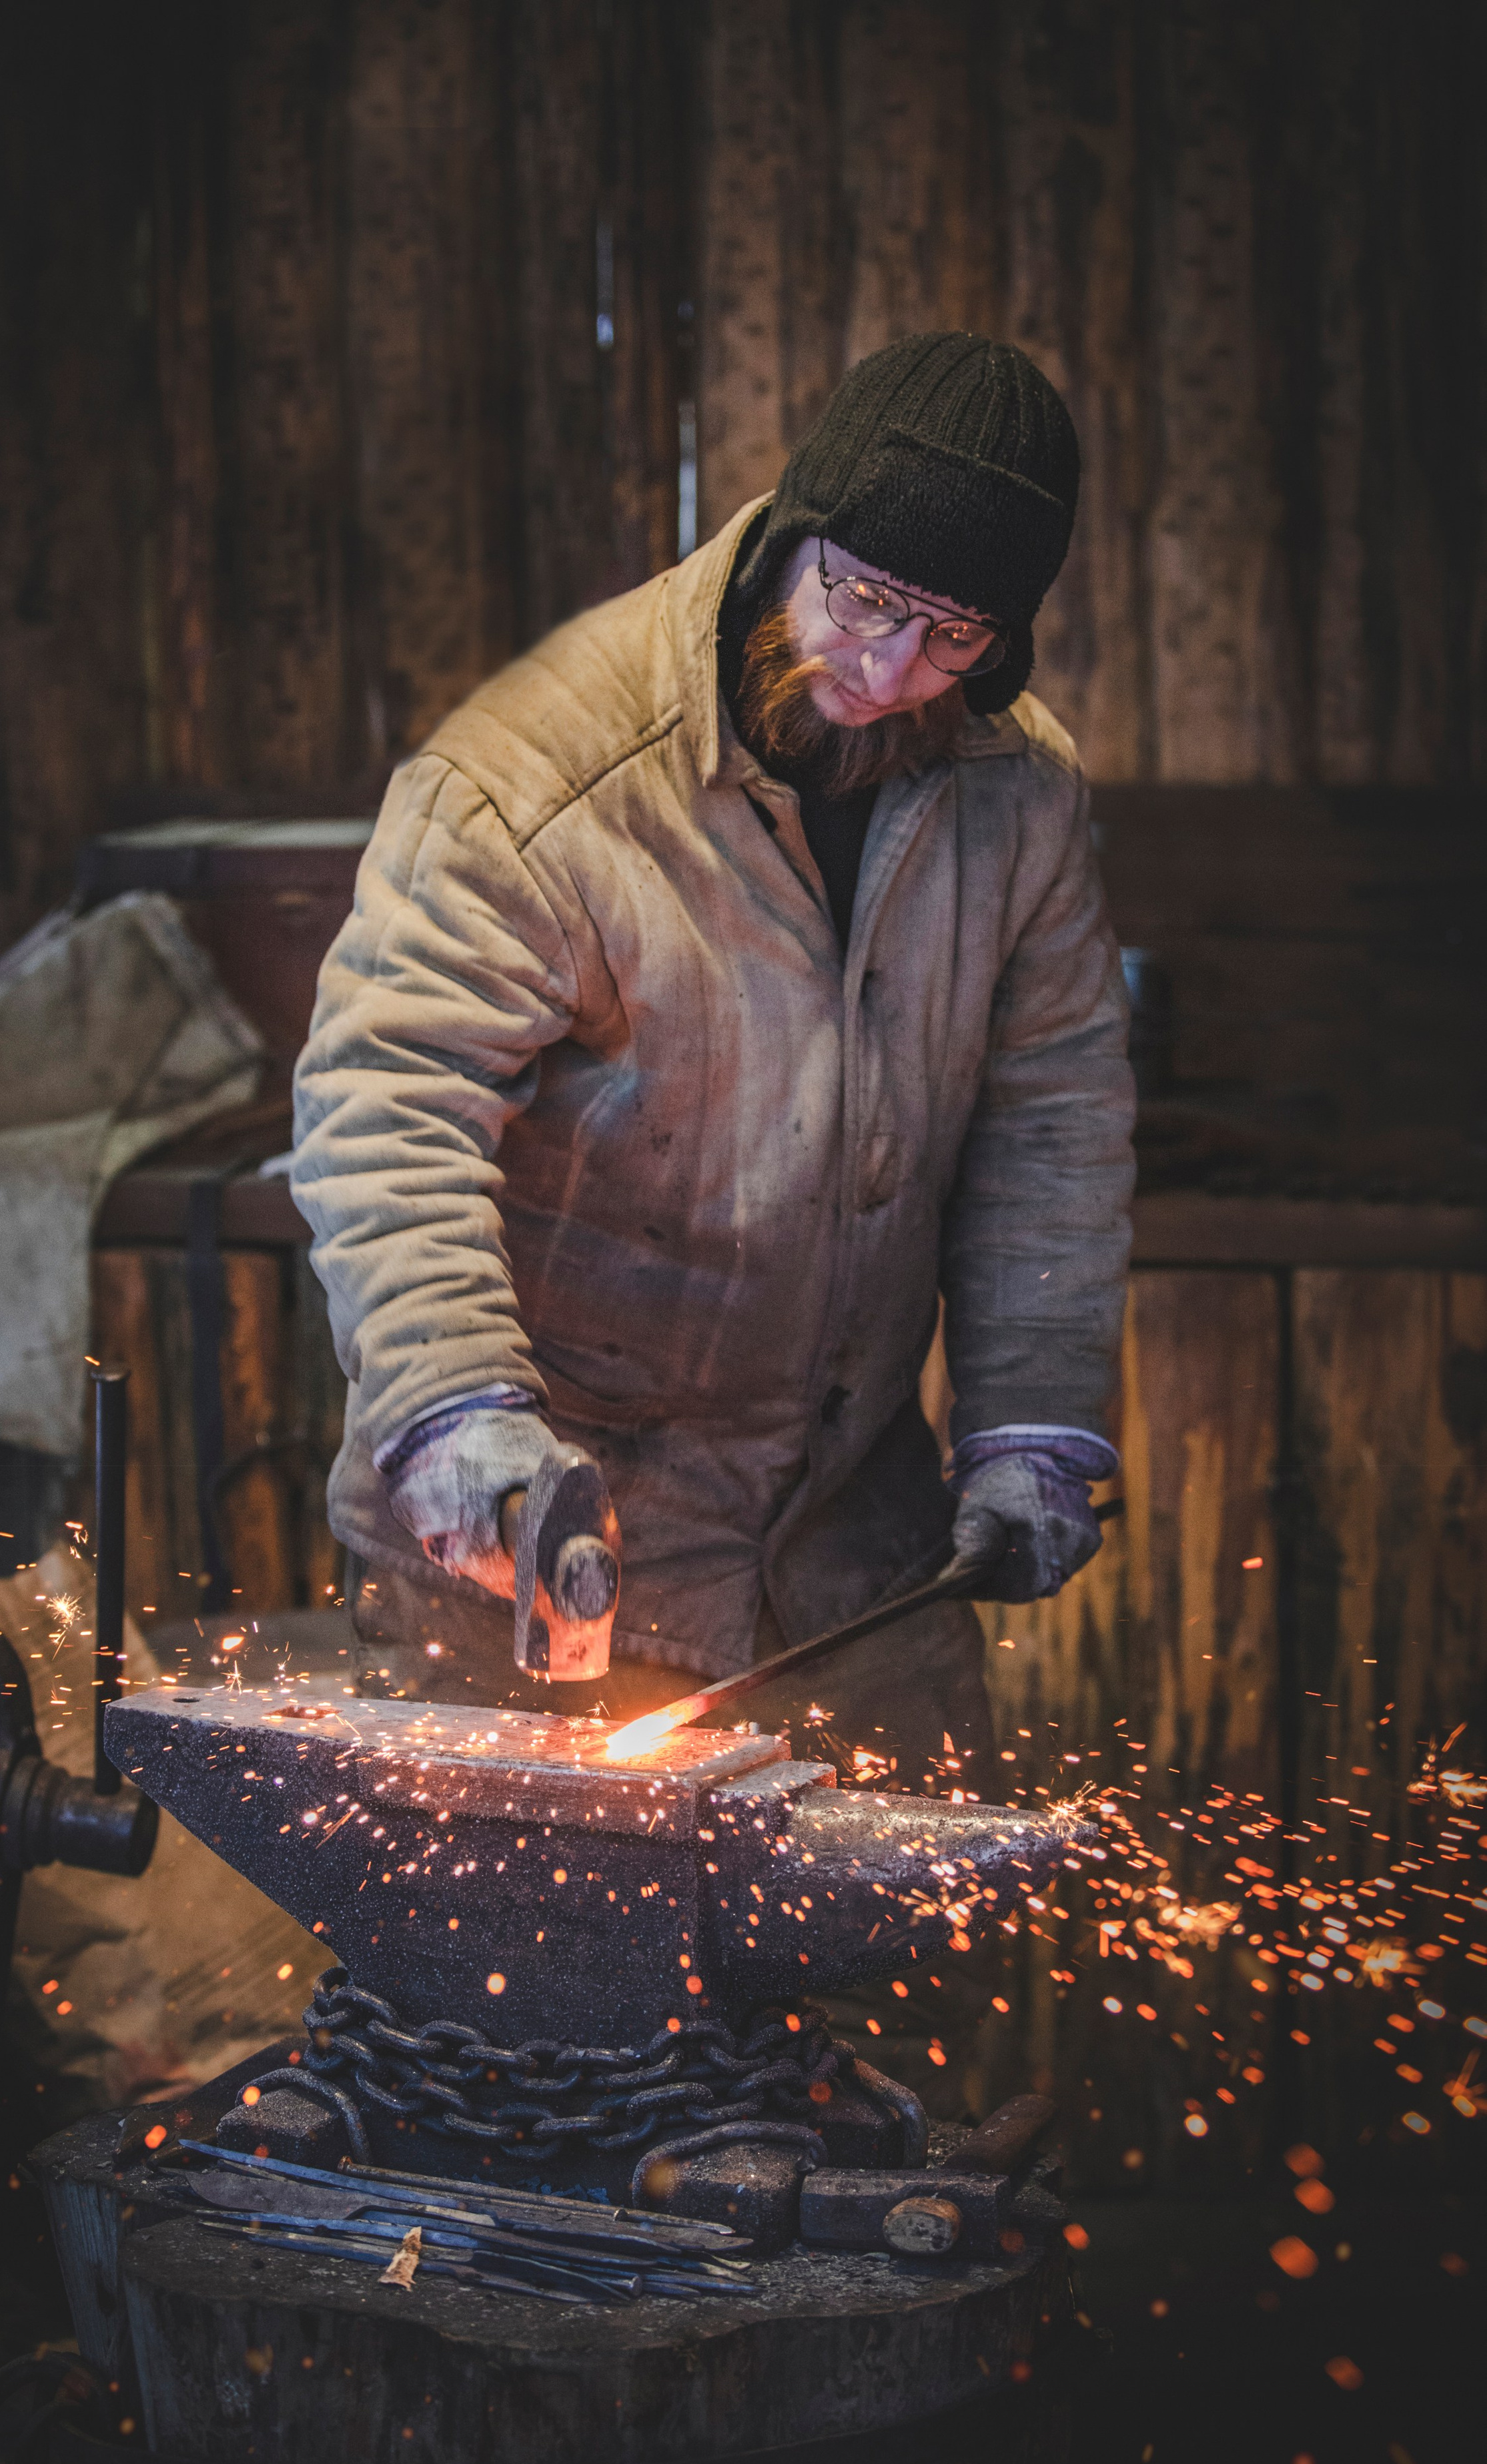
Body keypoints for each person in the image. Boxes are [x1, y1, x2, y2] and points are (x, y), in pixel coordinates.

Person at [292, 331, 1133, 1789]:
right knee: (519, 1990)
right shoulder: (538, 782)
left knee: (859, 1990)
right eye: (863, 600)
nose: (885, 670)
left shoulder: (1019, 799)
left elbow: (1050, 1122)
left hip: (848, 1566)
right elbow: (388, 1103)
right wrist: (450, 1409)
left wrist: (1031, 1417)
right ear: (798, 533)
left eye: (952, 636)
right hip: (552, 1552)